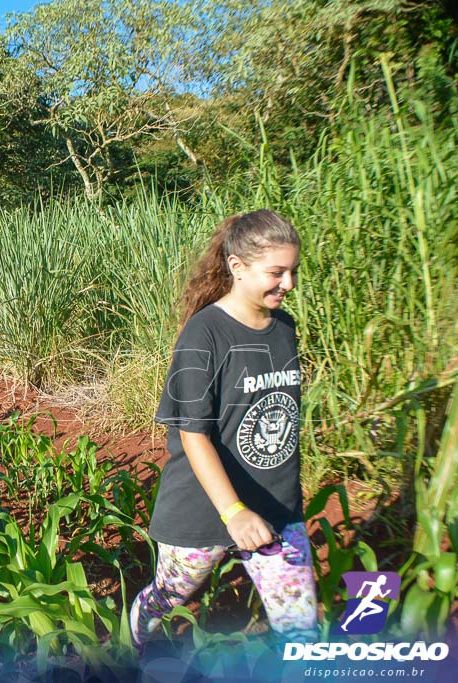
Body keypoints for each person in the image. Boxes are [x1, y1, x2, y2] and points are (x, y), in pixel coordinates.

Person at [130, 209, 318, 649]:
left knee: (301, 626)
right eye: (276, 272)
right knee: (168, 597)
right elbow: (193, 434)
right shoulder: (204, 334)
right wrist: (233, 512)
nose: (288, 284)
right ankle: (133, 643)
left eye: (293, 271)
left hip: (276, 506)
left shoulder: (284, 328)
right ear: (237, 267)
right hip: (204, 510)